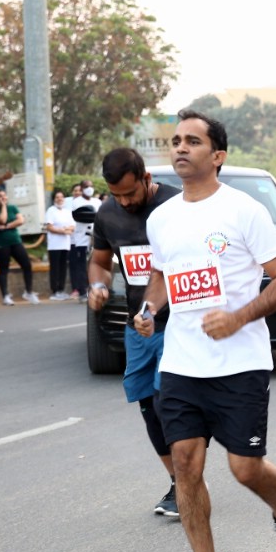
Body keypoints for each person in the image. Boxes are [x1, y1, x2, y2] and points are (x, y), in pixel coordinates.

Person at [135, 109, 276, 552]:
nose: (181, 148)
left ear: (218, 155)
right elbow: (162, 274)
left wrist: (236, 318)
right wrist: (149, 310)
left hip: (240, 363)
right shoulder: (161, 217)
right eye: (176, 141)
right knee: (185, 465)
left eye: (193, 141)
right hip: (183, 364)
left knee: (244, 468)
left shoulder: (244, 210)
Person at [89, 147, 182, 517]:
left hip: (180, 323)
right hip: (138, 326)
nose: (124, 202)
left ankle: (188, 478)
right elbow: (99, 261)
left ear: (146, 179)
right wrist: (98, 286)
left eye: (130, 193)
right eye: (117, 195)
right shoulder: (108, 214)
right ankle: (179, 481)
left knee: (168, 401)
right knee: (148, 406)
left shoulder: (176, 206)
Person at [0, 189, 37, 306]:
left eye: (4, 195)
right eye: (0, 196)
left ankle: (29, 292)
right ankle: (5, 296)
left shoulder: (13, 207)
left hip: (15, 241)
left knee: (27, 265)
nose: (3, 197)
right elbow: (2, 219)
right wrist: (3, 206)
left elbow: (21, 220)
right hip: (1, 243)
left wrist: (6, 226)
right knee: (3, 269)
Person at [69, 180, 101, 301]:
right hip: (82, 238)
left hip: (96, 238)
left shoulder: (97, 202)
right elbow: (80, 216)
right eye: (87, 186)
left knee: (97, 264)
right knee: (81, 265)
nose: (89, 188)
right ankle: (82, 291)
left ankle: (97, 289)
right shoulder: (76, 202)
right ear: (82, 188)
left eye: (91, 186)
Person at [43, 190, 75, 300]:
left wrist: (66, 230)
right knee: (55, 268)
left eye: (61, 197)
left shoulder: (67, 211)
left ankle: (61, 290)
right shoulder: (51, 210)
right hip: (54, 245)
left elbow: (72, 226)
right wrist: (63, 231)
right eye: (57, 197)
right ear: (54, 199)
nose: (60, 199)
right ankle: (54, 291)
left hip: (65, 244)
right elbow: (49, 227)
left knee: (63, 268)